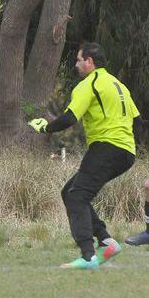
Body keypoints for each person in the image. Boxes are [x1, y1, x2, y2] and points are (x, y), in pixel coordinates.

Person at [28, 42, 138, 269]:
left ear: (89, 61)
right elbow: (136, 119)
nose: (76, 64)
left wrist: (45, 128)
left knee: (77, 196)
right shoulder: (119, 85)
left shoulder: (89, 84)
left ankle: (88, 256)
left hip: (106, 148)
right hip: (126, 152)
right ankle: (107, 241)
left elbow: (69, 118)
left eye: (79, 60)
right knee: (70, 191)